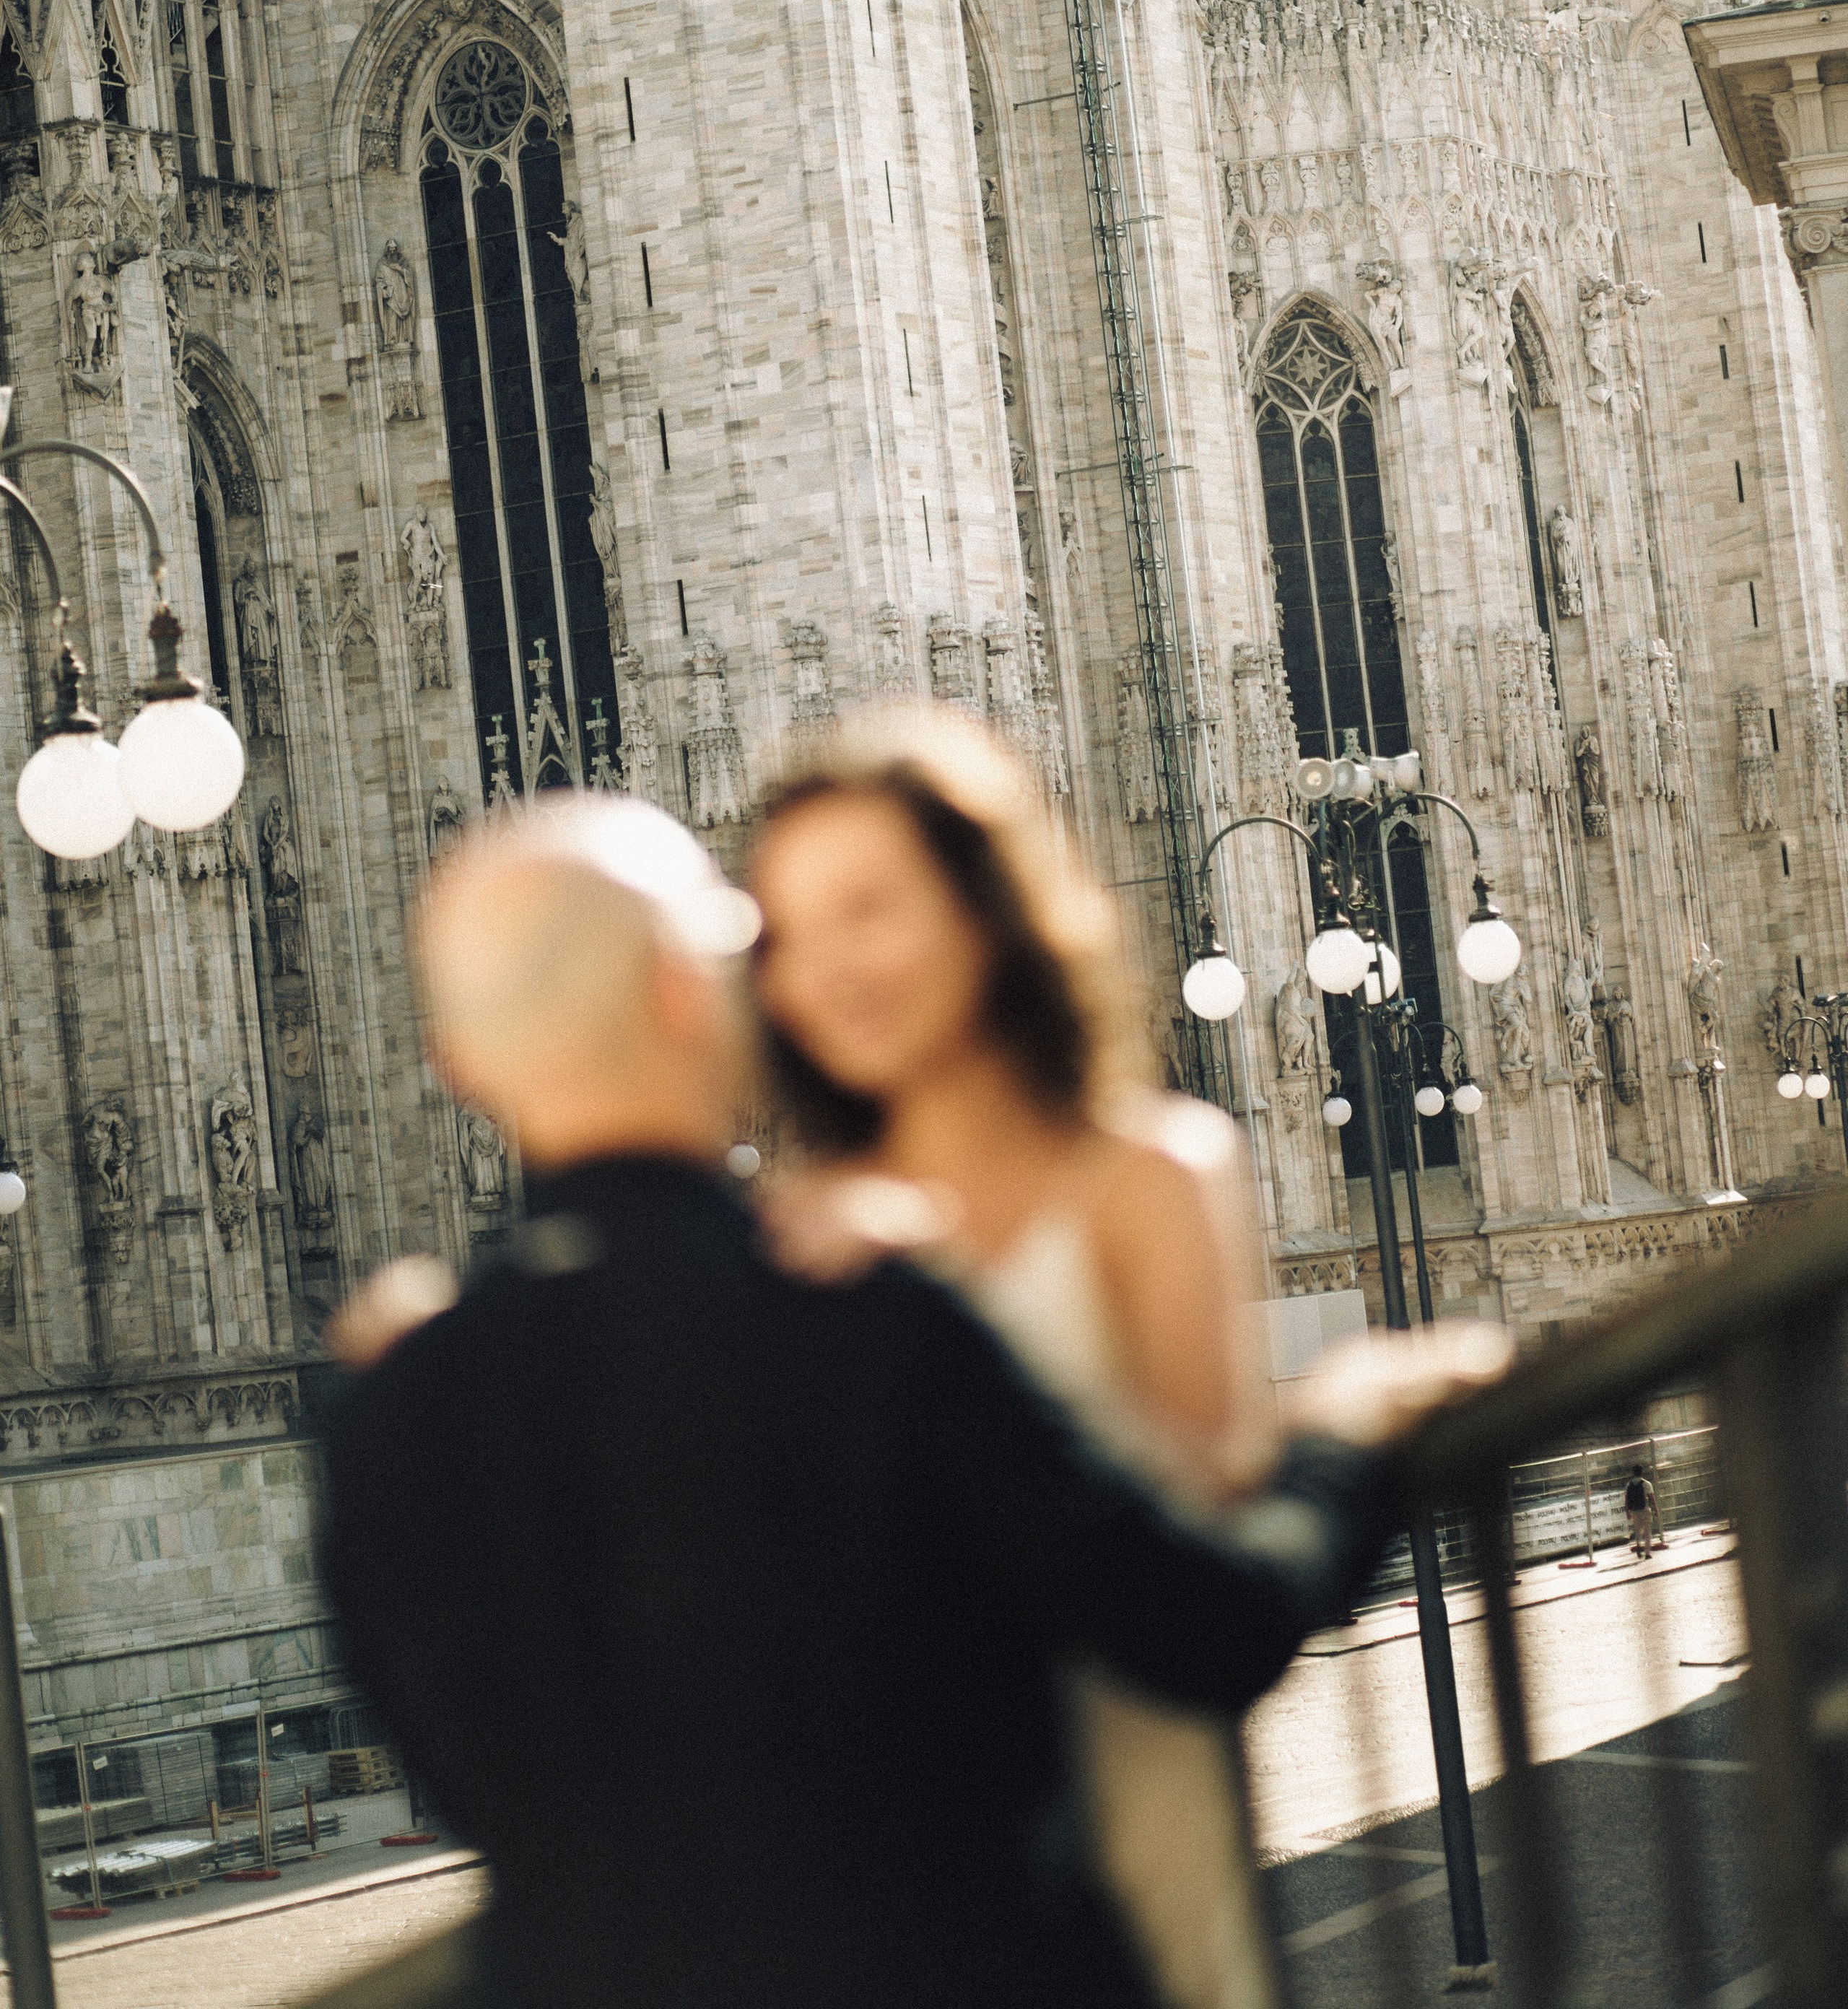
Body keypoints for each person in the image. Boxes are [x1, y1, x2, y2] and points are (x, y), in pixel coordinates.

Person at [320, 794, 1507, 2009]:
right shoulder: (860, 1312)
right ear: (692, 996)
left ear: (458, 1064)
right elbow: (1205, 1625)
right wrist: (1345, 1428)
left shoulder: (388, 1413)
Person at [746, 708, 1277, 2009]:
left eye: (868, 907)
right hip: (899, 1883)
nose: (826, 970)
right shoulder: (790, 1229)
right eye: (786, 934)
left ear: (986, 906)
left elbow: (1202, 1548)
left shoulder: (1151, 1173)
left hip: (1129, 1816)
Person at [1623, 1463, 1662, 1558]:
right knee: (1647, 1532)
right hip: (1645, 1509)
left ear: (1633, 1473)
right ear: (1642, 1472)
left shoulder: (1629, 1485)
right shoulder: (1647, 1484)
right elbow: (1652, 1499)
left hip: (1634, 1511)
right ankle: (1648, 1553)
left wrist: (1628, 1513)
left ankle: (1639, 1547)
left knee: (1637, 1531)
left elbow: (1627, 1500)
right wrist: (1656, 1510)